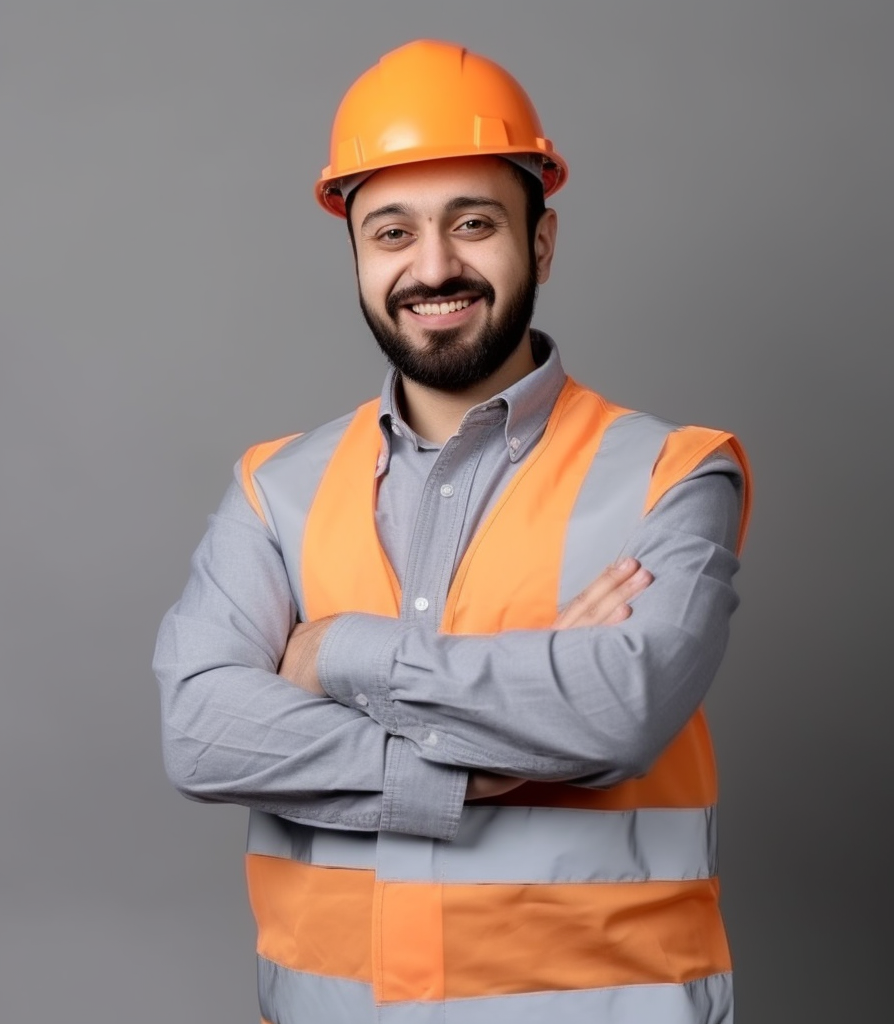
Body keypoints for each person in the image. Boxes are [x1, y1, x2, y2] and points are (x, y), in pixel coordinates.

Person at [154, 38, 752, 1024]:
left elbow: (619, 710)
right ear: (355, 253)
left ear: (542, 242)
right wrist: (488, 754)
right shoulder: (275, 486)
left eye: (472, 224)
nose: (432, 267)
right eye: (391, 232)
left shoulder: (671, 472)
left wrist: (334, 652)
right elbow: (202, 734)